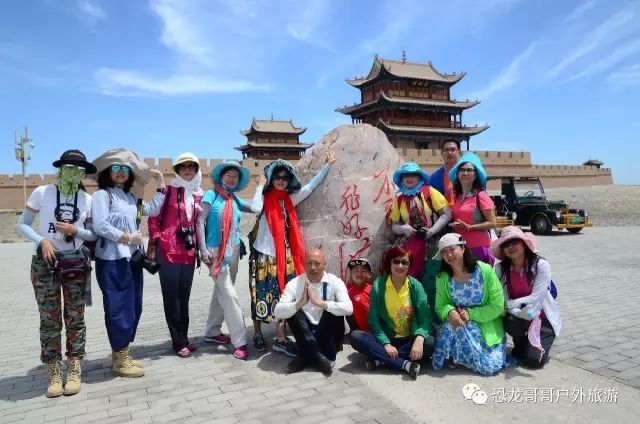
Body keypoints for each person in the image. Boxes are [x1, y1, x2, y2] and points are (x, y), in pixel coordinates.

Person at [17, 150, 97, 397]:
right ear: (60, 169)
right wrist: (42, 241)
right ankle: (53, 369)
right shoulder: (43, 192)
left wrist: (77, 230)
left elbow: (93, 234)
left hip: (75, 262)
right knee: (49, 319)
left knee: (75, 317)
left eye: (79, 169)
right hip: (45, 264)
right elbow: (22, 223)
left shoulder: (87, 199)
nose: (74, 172)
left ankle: (74, 366)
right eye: (69, 168)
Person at [250, 153, 336, 355]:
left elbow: (308, 188)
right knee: (260, 295)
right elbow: (254, 207)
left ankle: (280, 338)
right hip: (263, 255)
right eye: (277, 176)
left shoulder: (289, 199)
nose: (281, 180)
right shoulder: (263, 197)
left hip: (286, 257)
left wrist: (326, 166)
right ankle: (258, 333)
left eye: (285, 177)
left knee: (284, 296)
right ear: (271, 178)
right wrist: (260, 185)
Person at [90, 148, 165, 378]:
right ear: (108, 172)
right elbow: (100, 225)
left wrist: (160, 184)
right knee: (118, 308)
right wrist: (126, 237)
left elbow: (151, 209)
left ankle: (121, 354)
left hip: (132, 259)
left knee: (134, 306)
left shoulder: (131, 198)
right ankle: (120, 359)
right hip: (112, 260)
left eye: (125, 169)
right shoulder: (103, 196)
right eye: (117, 168)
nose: (122, 173)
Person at [197, 161, 255, 360]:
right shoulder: (211, 195)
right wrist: (202, 248)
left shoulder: (234, 200)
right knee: (229, 294)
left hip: (234, 250)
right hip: (215, 251)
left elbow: (257, 208)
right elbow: (199, 221)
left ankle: (212, 331)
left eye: (235, 176)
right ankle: (240, 340)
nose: (232, 178)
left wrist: (264, 186)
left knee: (220, 291)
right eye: (228, 175)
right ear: (221, 176)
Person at [147, 153, 203, 358]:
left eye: (192, 166)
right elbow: (153, 218)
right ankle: (177, 342)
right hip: (168, 250)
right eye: (183, 166)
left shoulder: (198, 195)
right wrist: (154, 242)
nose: (187, 170)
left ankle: (185, 338)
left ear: (197, 170)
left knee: (184, 298)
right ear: (177, 170)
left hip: (188, 253)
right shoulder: (168, 192)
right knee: (172, 298)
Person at [432, 233, 510, 376]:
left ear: (462, 248)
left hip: (486, 325)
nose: (448, 255)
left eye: (452, 249)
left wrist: (471, 314)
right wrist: (449, 311)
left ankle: (460, 356)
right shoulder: (442, 277)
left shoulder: (485, 271)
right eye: (444, 252)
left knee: (490, 366)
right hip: (459, 324)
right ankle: (459, 356)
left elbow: (498, 306)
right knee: (453, 326)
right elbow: (441, 305)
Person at [350, 246, 433, 379]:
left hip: (408, 339)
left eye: (404, 262)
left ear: (409, 265)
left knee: (430, 343)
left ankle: (381, 360)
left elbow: (426, 318)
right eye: (396, 261)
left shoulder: (416, 286)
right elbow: (373, 319)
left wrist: (419, 338)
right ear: (389, 262)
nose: (400, 266)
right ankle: (405, 364)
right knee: (356, 337)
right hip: (386, 339)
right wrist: (386, 343)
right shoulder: (379, 285)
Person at [274, 247, 353, 375]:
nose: (313, 268)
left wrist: (321, 304)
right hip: (307, 332)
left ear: (325, 264)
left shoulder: (335, 281)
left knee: (332, 310)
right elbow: (278, 311)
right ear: (304, 264)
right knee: (293, 311)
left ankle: (305, 357)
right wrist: (299, 303)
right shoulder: (295, 283)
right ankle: (318, 358)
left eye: (317, 263)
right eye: (309, 263)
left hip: (330, 333)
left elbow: (349, 309)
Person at [492, 226, 562, 368]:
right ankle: (523, 341)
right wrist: (517, 311)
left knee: (533, 361)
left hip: (542, 318)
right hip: (518, 316)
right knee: (517, 350)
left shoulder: (541, 265)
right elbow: (501, 298)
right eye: (506, 244)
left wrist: (511, 305)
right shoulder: (501, 269)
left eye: (515, 242)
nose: (511, 247)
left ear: (524, 243)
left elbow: (536, 298)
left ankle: (539, 340)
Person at [389, 162, 451, 311]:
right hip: (410, 246)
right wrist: (403, 228)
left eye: (413, 175)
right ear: (401, 179)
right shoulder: (399, 199)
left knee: (432, 279)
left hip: (432, 245)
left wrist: (431, 231)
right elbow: (394, 225)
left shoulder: (429, 192)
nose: (409, 178)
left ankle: (436, 315)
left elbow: (446, 214)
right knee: (409, 280)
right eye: (406, 176)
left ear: (419, 177)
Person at [448, 152, 497, 265]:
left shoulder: (481, 195)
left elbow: (493, 223)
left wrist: (469, 227)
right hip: (460, 248)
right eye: (462, 170)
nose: (465, 173)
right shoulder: (458, 197)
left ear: (475, 175)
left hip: (479, 248)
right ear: (457, 173)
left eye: (469, 170)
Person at [429, 140, 462, 206]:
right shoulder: (434, 177)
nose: (449, 153)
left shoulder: (467, 174)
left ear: (459, 152)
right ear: (442, 153)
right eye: (446, 150)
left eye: (453, 149)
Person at [345, 258, 373, 335]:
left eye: (363, 270)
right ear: (351, 273)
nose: (359, 273)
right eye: (355, 270)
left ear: (369, 274)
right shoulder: (348, 289)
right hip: (355, 328)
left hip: (372, 331)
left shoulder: (372, 290)